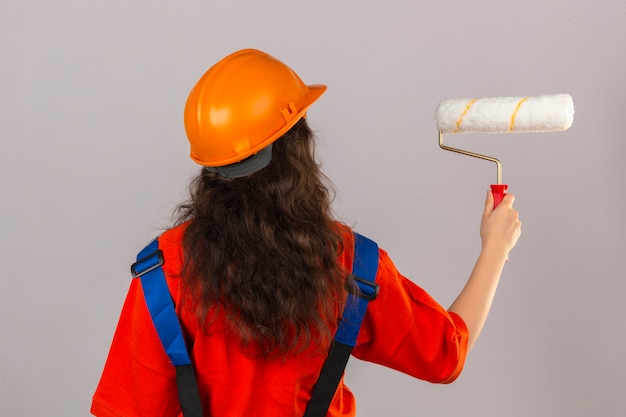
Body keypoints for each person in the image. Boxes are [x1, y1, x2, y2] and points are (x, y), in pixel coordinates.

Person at [91, 48, 521, 417]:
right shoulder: (352, 264)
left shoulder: (163, 271)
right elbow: (446, 354)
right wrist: (494, 249)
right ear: (295, 151)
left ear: (211, 162)